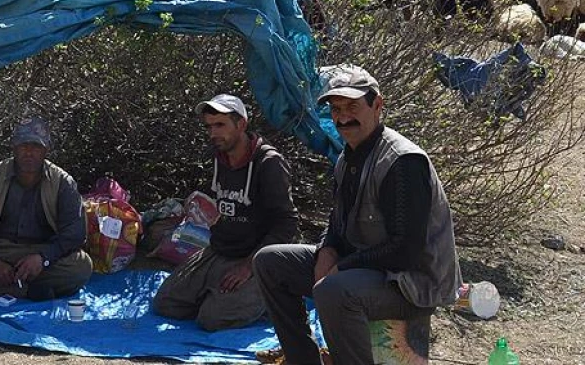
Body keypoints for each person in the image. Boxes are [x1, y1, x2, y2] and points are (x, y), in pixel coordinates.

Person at [253, 65, 463, 365]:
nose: (342, 117)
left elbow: (406, 250)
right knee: (270, 261)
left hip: (410, 283)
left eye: (352, 106)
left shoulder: (403, 161)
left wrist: (343, 267)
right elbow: (338, 221)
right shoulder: (347, 155)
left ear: (377, 105)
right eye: (336, 109)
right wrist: (327, 250)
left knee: (333, 291)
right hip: (370, 267)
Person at [153, 94, 298, 330]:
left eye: (220, 125)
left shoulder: (268, 163)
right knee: (166, 304)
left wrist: (249, 266)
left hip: (256, 257)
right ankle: (222, 296)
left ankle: (273, 295)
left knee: (212, 319)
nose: (213, 133)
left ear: (241, 124)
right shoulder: (218, 156)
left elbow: (287, 223)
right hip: (220, 250)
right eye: (209, 127)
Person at [0, 116, 93, 300]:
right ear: (14, 147)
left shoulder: (62, 182)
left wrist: (43, 258)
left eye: (36, 146)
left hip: (42, 254)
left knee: (81, 267)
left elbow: (75, 233)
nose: (29, 152)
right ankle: (28, 291)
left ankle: (9, 287)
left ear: (46, 149)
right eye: (23, 145)